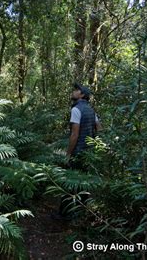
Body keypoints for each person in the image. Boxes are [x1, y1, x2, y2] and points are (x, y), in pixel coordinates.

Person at [53, 83, 102, 220]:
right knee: (84, 182)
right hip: (88, 153)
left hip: (78, 152)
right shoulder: (91, 110)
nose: (73, 92)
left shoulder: (76, 110)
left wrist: (68, 154)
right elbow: (99, 128)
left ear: (82, 95)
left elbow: (74, 135)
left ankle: (64, 214)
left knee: (69, 182)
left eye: (76, 90)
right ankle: (82, 213)